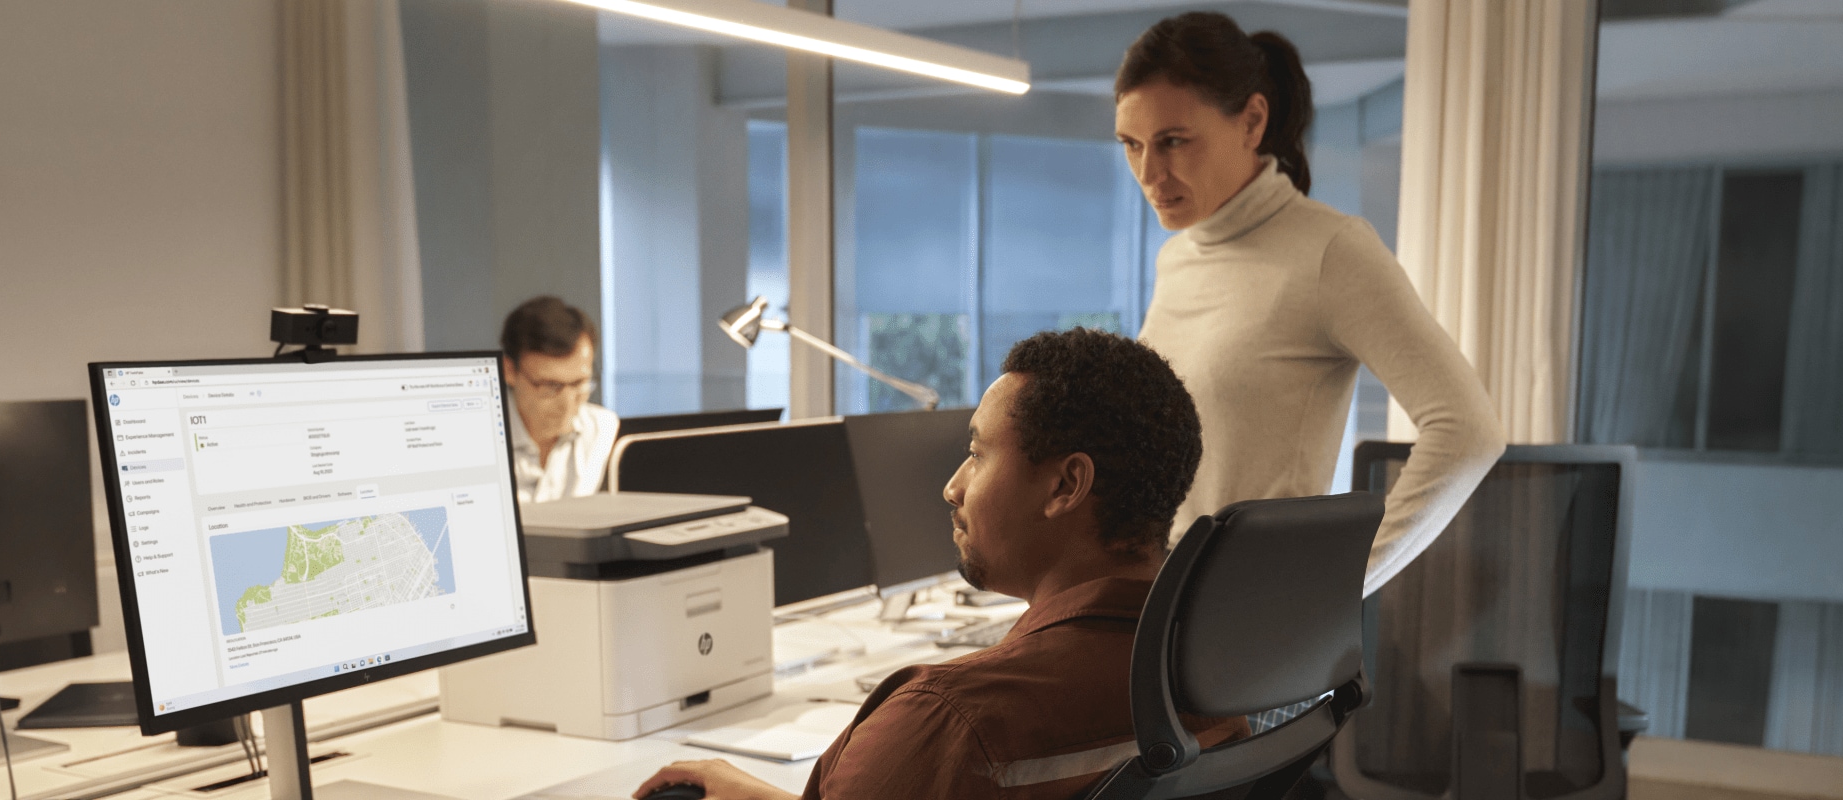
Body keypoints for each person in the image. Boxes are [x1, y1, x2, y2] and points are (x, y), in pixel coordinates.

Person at [634, 328, 1237, 800]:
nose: (954, 487)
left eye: (977, 453)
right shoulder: (1222, 674)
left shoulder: (949, 722)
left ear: (1065, 486)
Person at [1117, 12, 1505, 596]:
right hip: (1158, 604)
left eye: (1173, 142)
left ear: (1251, 121)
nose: (1149, 173)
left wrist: (1327, 594)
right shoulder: (1177, 256)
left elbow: (1469, 432)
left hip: (1246, 625)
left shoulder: (1331, 250)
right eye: (1132, 145)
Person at [500, 296, 618, 504]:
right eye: (550, 386)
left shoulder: (602, 429)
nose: (567, 404)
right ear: (510, 371)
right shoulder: (482, 440)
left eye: (580, 383)